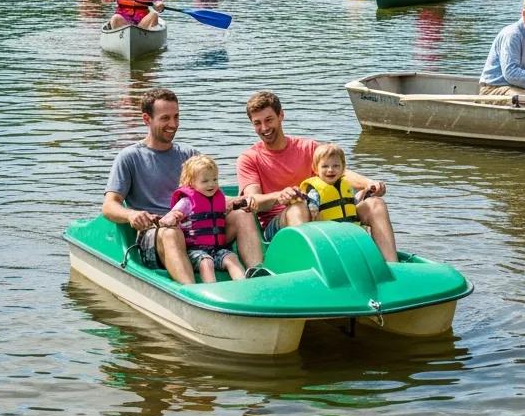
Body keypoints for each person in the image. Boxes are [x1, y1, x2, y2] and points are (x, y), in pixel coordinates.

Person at [102, 88, 265, 285]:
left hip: (196, 232)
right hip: (159, 233)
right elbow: (109, 206)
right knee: (172, 232)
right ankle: (192, 293)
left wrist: (238, 203)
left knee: (243, 213)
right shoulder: (129, 157)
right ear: (147, 119)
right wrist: (132, 215)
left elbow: (209, 198)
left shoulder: (189, 154)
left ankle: (256, 277)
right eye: (165, 118)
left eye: (176, 116)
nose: (173, 124)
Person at [236, 91, 398, 262]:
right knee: (299, 207)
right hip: (279, 225)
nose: (264, 128)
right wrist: (280, 195)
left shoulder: (308, 147)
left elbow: (339, 172)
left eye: (269, 120)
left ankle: (392, 267)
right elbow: (252, 201)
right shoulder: (249, 159)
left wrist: (369, 183)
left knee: (375, 204)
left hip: (324, 212)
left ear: (281, 115)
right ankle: (311, 268)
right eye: (257, 123)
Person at [295, 143, 397, 262]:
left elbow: (351, 204)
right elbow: (312, 204)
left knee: (374, 201)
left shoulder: (346, 186)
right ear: (315, 169)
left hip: (351, 233)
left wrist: (366, 193)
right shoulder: (314, 190)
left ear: (343, 168)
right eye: (325, 166)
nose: (330, 170)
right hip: (329, 235)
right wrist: (312, 208)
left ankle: (391, 262)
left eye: (336, 166)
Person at [158, 154, 251, 283]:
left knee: (232, 258)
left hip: (217, 249)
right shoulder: (186, 202)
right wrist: (169, 219)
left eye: (215, 179)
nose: (211, 184)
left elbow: (228, 207)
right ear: (191, 183)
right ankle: (212, 288)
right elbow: (172, 214)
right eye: (205, 181)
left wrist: (239, 203)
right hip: (195, 251)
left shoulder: (219, 198)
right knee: (206, 263)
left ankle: (244, 284)